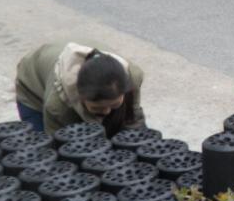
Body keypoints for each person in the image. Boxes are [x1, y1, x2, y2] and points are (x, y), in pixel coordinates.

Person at [15, 40, 146, 136]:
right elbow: (58, 145)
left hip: (62, 53)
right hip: (32, 85)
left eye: (114, 104)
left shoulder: (132, 77)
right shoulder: (57, 105)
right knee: (41, 146)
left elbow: (133, 119)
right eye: (97, 107)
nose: (106, 112)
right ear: (80, 96)